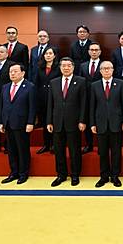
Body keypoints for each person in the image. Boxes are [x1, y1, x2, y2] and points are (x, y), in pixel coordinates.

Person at [46, 57, 87, 187]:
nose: (66, 68)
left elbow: (83, 103)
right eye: (63, 65)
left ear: (73, 67)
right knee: (58, 150)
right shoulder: (54, 82)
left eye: (69, 65)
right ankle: (61, 175)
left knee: (74, 150)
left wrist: (82, 120)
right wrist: (49, 121)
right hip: (57, 122)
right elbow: (50, 104)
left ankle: (75, 175)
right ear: (60, 67)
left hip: (74, 122)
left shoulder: (81, 81)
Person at [89, 61, 123, 188]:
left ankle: (115, 176)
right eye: (104, 68)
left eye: (109, 68)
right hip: (100, 124)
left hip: (116, 123)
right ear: (100, 71)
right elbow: (92, 107)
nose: (107, 70)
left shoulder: (121, 84)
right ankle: (104, 176)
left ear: (113, 70)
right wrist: (92, 123)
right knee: (103, 152)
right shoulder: (94, 85)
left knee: (116, 152)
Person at [0, 64, 36, 185]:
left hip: (22, 123)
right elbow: (2, 106)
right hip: (8, 123)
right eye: (10, 72)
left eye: (15, 71)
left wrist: (30, 122)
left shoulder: (29, 87)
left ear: (23, 73)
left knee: (22, 149)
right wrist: (1, 122)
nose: (12, 74)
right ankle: (13, 172)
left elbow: (32, 107)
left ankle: (23, 173)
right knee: (11, 149)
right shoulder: (5, 87)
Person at [34, 48, 61, 154]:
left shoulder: (59, 67)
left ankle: (55, 145)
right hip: (43, 98)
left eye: (50, 53)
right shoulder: (39, 67)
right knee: (45, 122)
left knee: (54, 122)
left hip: (55, 98)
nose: (48, 55)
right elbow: (36, 83)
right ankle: (46, 144)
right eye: (46, 53)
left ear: (54, 55)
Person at [79, 42, 103, 153]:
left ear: (100, 52)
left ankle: (100, 146)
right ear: (88, 52)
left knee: (100, 120)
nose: (94, 52)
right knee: (88, 120)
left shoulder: (105, 65)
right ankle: (89, 144)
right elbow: (80, 82)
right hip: (86, 97)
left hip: (101, 98)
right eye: (92, 50)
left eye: (96, 50)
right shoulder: (83, 65)